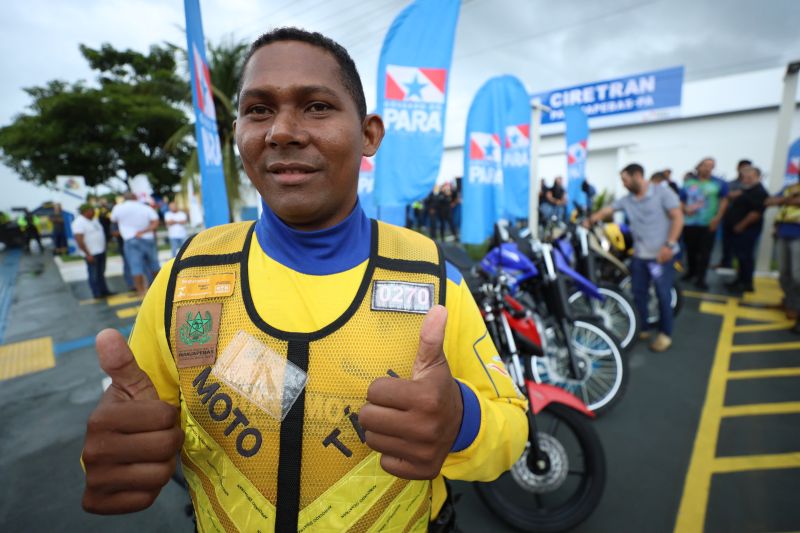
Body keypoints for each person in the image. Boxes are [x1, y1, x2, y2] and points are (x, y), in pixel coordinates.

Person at [81, 28, 527, 532]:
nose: (282, 131)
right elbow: (132, 423)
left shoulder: (430, 277)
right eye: (258, 110)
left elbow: (511, 428)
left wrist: (461, 421)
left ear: (369, 134)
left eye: (316, 106)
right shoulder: (188, 278)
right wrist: (116, 451)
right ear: (237, 134)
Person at [586, 163, 683, 352]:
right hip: (640, 256)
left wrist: (669, 245)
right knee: (639, 294)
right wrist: (589, 220)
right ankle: (643, 327)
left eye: (625, 179)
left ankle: (665, 333)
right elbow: (608, 210)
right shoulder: (628, 200)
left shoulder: (662, 194)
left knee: (663, 294)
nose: (624, 184)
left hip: (660, 256)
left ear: (637, 175)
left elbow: (677, 217)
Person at [680, 157, 729, 290]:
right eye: (705, 165)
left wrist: (717, 218)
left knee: (705, 252)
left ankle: (701, 278)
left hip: (708, 223)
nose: (707, 168)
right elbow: (682, 200)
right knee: (690, 250)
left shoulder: (719, 183)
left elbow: (724, 201)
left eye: (711, 166)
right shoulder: (688, 183)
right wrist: (684, 209)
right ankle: (691, 272)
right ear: (699, 166)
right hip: (690, 223)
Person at [723, 166, 767, 293]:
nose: (746, 180)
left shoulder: (759, 192)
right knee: (740, 257)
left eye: (749, 177)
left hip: (746, 231)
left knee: (745, 257)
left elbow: (756, 213)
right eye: (744, 177)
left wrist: (741, 225)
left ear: (758, 177)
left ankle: (746, 283)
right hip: (738, 230)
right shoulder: (746, 190)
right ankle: (740, 280)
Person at [765, 177, 800, 334]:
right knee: (784, 273)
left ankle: (795, 307)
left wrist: (784, 200)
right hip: (783, 232)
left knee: (797, 275)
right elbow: (769, 201)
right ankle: (789, 303)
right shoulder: (790, 187)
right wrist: (789, 199)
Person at [110, 192, 160, 296]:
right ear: (135, 197)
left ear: (124, 198)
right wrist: (144, 231)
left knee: (135, 266)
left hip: (130, 239)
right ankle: (160, 288)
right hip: (147, 238)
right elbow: (155, 223)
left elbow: (113, 220)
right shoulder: (145, 207)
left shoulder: (118, 208)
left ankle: (141, 291)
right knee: (154, 264)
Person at [71, 204, 112, 299]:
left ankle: (104, 291)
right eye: (91, 210)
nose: (93, 212)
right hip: (91, 254)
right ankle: (97, 293)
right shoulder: (79, 223)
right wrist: (87, 254)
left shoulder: (94, 220)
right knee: (93, 274)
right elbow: (79, 240)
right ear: (85, 211)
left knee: (101, 273)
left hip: (100, 251)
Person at [718, 159, 753, 269]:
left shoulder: (753, 186)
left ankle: (740, 270)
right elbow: (725, 196)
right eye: (743, 168)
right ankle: (725, 263)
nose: (744, 171)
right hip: (729, 218)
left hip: (744, 220)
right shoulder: (731, 183)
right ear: (737, 168)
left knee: (742, 249)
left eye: (747, 169)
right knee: (726, 244)